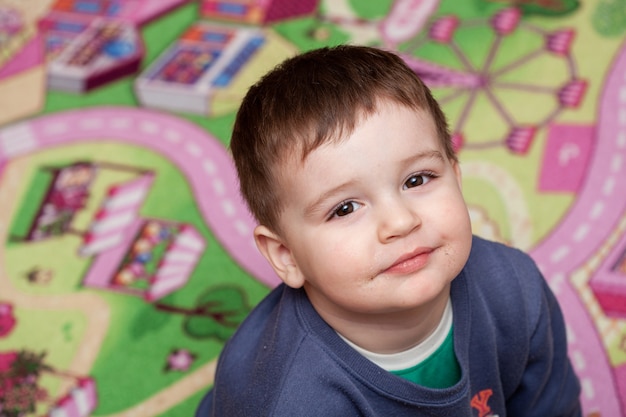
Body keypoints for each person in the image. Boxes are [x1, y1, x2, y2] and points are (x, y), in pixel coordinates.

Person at [196, 44, 581, 416]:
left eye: (417, 180)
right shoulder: (288, 402)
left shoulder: (514, 288)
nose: (400, 222)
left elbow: (552, 405)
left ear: (456, 177)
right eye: (345, 208)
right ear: (286, 255)